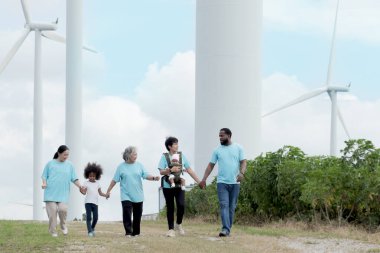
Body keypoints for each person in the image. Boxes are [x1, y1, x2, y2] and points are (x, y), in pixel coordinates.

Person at [199, 128, 247, 237]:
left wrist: (242, 173)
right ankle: (225, 229)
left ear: (229, 136)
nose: (220, 138)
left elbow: (243, 162)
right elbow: (211, 165)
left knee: (232, 207)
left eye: (222, 136)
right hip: (222, 183)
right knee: (224, 205)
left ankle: (227, 229)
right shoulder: (217, 150)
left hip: (235, 183)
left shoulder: (239, 147)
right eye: (219, 136)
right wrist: (204, 179)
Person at [106, 146, 159, 237]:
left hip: (138, 195)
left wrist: (154, 178)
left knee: (137, 215)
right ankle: (128, 232)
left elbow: (146, 175)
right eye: (134, 154)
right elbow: (114, 180)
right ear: (128, 155)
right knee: (127, 212)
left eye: (136, 154)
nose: (136, 156)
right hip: (126, 195)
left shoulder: (139, 165)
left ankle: (136, 232)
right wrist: (108, 191)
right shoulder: (121, 167)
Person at [158, 136, 201, 237]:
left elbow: (189, 170)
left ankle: (178, 224)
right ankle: (171, 229)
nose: (177, 146)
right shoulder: (164, 157)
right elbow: (161, 171)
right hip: (167, 185)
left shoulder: (182, 156)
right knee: (170, 207)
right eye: (175, 144)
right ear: (169, 146)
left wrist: (199, 181)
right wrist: (170, 170)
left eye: (177, 143)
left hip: (179, 185)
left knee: (181, 205)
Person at [41, 145, 85, 237]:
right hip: (50, 193)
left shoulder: (70, 165)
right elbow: (44, 176)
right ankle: (53, 231)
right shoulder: (50, 164)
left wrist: (80, 186)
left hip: (63, 194)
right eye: (65, 155)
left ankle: (63, 226)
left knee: (63, 210)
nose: (66, 157)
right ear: (59, 153)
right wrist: (44, 183)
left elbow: (74, 179)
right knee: (52, 213)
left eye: (67, 155)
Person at [81, 162, 108, 237]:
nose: (92, 177)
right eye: (90, 176)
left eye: (93, 176)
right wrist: (81, 190)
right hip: (88, 203)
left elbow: (100, 193)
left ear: (96, 176)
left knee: (96, 218)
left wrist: (106, 195)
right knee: (89, 217)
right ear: (87, 175)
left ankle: (92, 228)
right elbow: (84, 192)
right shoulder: (85, 183)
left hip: (95, 203)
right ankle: (89, 231)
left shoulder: (97, 183)